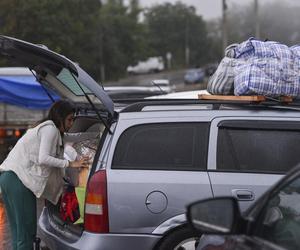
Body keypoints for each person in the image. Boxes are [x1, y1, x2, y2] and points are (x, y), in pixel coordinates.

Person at [0, 100, 89, 250]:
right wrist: (70, 164)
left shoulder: (50, 131)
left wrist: (77, 159)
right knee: (26, 235)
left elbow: (66, 148)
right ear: (60, 118)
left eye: (73, 119)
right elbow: (44, 158)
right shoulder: (50, 129)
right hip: (19, 180)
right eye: (69, 119)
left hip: (9, 177)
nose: (71, 123)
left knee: (18, 235)